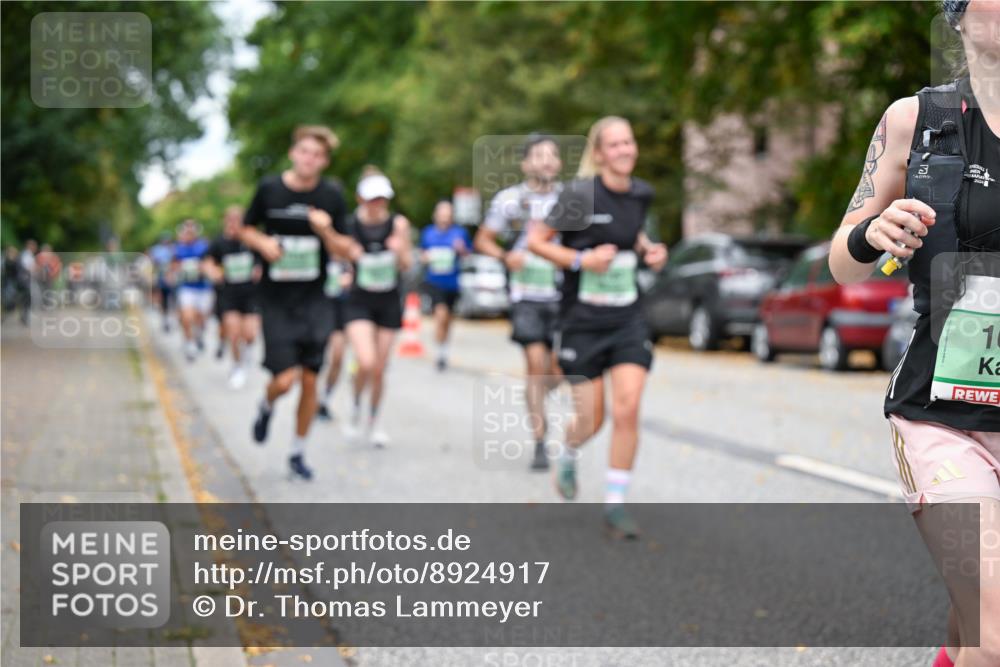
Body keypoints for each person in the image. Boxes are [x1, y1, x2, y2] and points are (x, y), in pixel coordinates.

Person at [829, 3, 999, 665]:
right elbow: (840, 263)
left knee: (971, 624)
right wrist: (872, 234)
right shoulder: (915, 120)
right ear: (956, 15)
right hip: (943, 417)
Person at [527, 117, 667, 539]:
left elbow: (632, 232)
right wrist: (580, 261)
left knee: (628, 407)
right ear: (600, 153)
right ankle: (568, 451)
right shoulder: (579, 195)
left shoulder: (641, 193)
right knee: (592, 417)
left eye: (629, 141)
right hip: (582, 323)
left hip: (627, 317)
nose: (625, 149)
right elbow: (536, 240)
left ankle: (615, 504)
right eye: (615, 144)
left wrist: (649, 250)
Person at [240, 125, 353, 481]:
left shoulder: (331, 196)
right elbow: (244, 228)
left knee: (309, 381)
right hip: (276, 301)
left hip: (315, 301)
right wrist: (261, 244)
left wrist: (325, 231)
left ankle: (297, 452)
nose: (309, 159)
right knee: (284, 380)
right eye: (304, 151)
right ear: (293, 153)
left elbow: (347, 250)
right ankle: (266, 403)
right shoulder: (270, 189)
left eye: (317, 155)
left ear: (324, 161)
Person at [475, 133, 566, 471]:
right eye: (539, 155)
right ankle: (540, 442)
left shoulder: (571, 201)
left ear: (558, 163)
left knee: (559, 369)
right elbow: (482, 240)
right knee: (534, 365)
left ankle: (543, 394)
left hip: (564, 297)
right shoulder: (509, 200)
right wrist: (504, 256)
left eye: (552, 155)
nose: (546, 161)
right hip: (527, 297)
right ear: (525, 163)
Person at [341, 169, 413, 448]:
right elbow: (338, 255)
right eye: (372, 198)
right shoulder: (350, 224)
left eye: (382, 198)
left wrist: (399, 251)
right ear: (361, 198)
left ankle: (374, 421)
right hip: (359, 300)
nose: (377, 204)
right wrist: (349, 259)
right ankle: (356, 404)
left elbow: (407, 265)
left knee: (380, 368)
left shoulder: (398, 224)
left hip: (388, 300)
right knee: (366, 361)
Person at [204, 205, 260, 390]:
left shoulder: (251, 240)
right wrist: (213, 272)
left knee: (250, 334)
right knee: (234, 334)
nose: (235, 224)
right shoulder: (219, 242)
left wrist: (259, 271)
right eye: (231, 220)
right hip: (228, 295)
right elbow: (207, 262)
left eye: (239, 220)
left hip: (251, 295)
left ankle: (248, 352)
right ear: (226, 221)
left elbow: (264, 258)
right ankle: (237, 367)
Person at [420, 199, 472, 371]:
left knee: (448, 320)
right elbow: (422, 254)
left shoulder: (460, 233)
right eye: (442, 215)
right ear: (436, 216)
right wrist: (425, 257)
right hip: (434, 282)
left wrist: (461, 249)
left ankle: (444, 349)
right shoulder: (428, 233)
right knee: (440, 316)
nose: (444, 219)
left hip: (452, 283)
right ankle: (439, 353)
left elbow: (468, 255)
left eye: (448, 216)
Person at [316, 258, 352, 421]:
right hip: (317, 310)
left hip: (340, 311)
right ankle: (311, 397)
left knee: (337, 358)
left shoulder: (349, 256)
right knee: (315, 360)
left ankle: (324, 399)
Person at [172, 220, 213, 361]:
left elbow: (210, 262)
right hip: (187, 288)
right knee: (187, 317)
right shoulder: (178, 248)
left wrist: (203, 267)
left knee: (201, 318)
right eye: (186, 231)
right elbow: (174, 265)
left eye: (191, 231)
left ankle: (199, 334)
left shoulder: (203, 247)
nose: (188, 233)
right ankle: (190, 345)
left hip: (203, 288)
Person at [149, 232, 176, 332]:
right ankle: (165, 319)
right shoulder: (156, 250)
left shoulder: (174, 249)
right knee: (163, 299)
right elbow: (153, 263)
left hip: (173, 279)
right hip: (161, 279)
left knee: (173, 299)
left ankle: (171, 318)